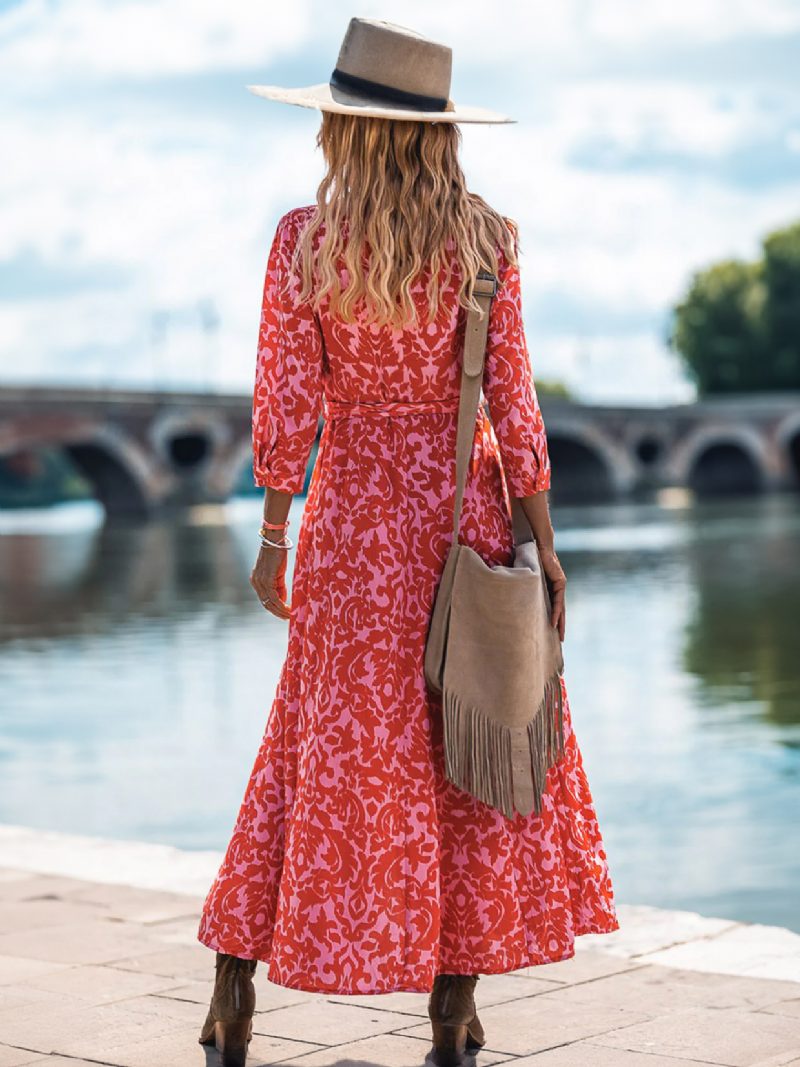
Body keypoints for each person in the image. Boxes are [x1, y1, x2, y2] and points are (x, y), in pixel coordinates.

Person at [196, 17, 619, 1067]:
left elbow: (287, 398)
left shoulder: (305, 239)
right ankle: (450, 1018)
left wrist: (270, 531)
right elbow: (513, 405)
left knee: (313, 752)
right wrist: (546, 543)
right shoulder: (487, 239)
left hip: (349, 532)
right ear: (438, 133)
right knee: (469, 755)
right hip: (459, 523)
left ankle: (231, 997)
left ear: (343, 129)